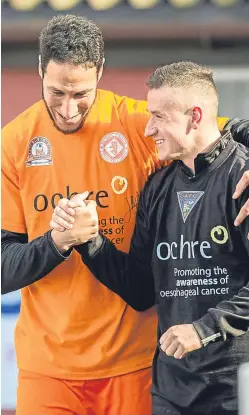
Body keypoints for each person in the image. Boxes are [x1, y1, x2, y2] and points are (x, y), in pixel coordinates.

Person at [1, 12, 248, 414]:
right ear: (40, 70)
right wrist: (60, 242)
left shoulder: (139, 125)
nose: (67, 108)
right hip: (47, 369)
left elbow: (215, 130)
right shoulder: (13, 143)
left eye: (80, 93)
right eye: (56, 92)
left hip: (133, 364)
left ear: (100, 71)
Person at [51, 62, 249, 415]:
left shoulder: (242, 176)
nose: (147, 128)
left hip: (235, 387)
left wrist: (204, 330)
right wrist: (90, 240)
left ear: (195, 116)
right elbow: (141, 290)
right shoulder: (157, 188)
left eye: (158, 116)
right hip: (172, 389)